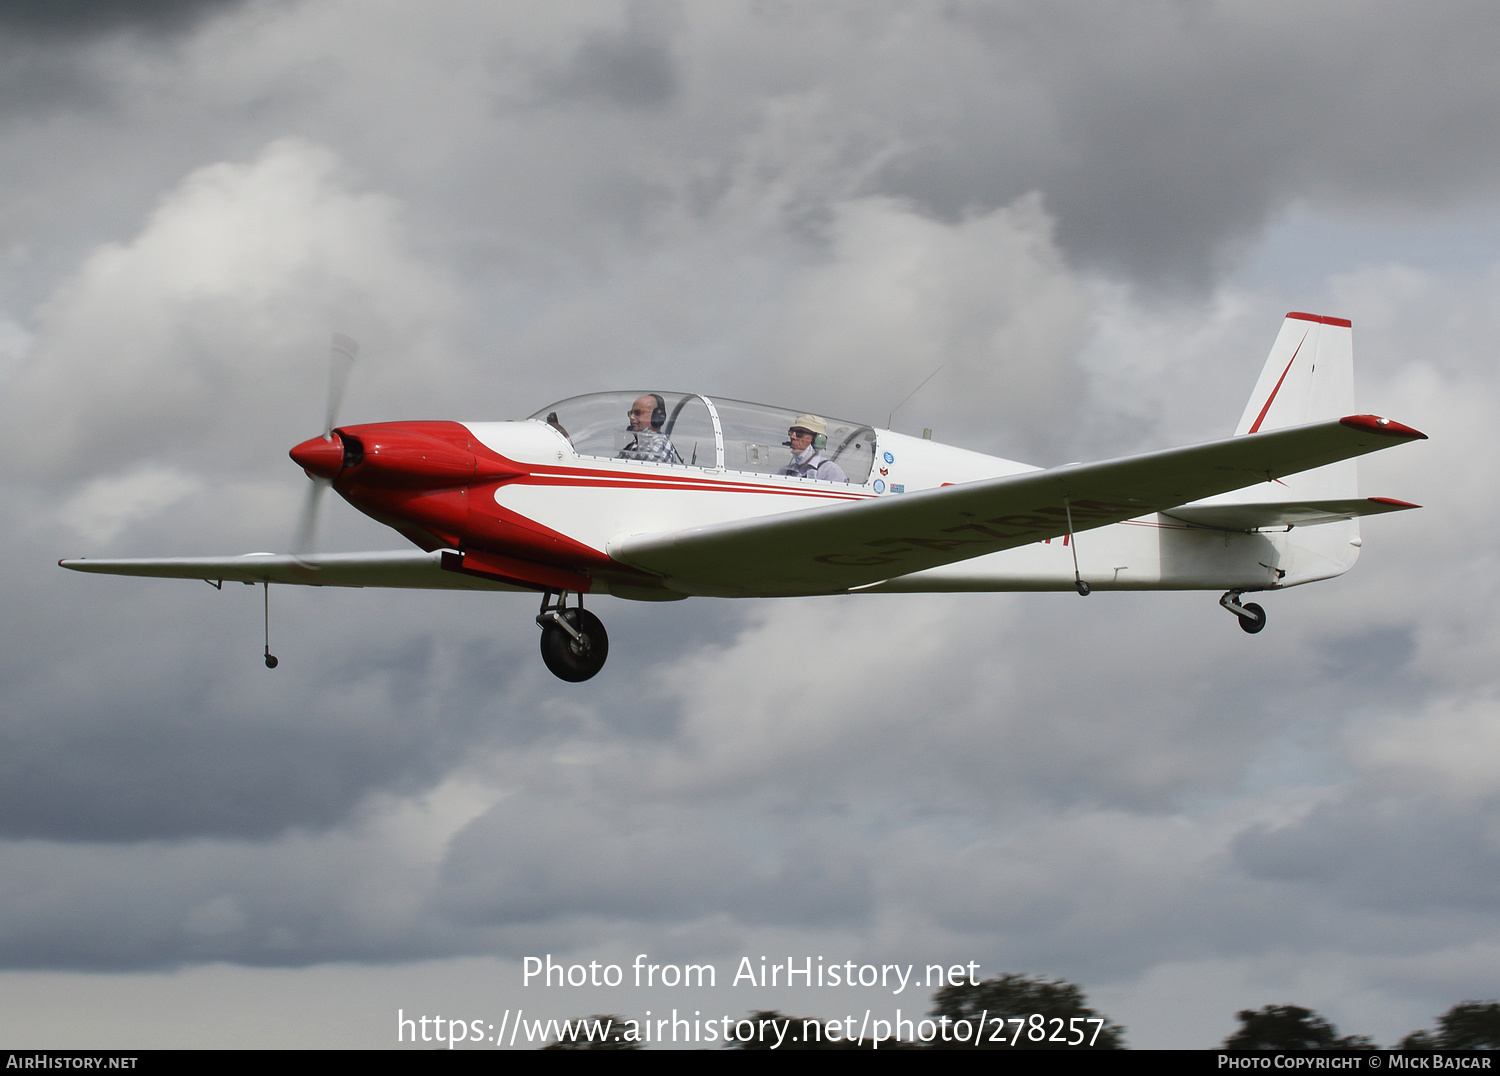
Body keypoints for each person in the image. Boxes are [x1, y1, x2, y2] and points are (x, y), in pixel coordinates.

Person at [618, 393, 683, 464]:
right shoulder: (634, 445)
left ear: (656, 416)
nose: (631, 417)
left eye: (638, 413)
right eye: (631, 413)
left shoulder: (659, 445)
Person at [782, 414, 847, 482]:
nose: (792, 436)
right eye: (791, 432)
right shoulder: (785, 471)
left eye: (799, 433)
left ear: (817, 440)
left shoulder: (830, 471)